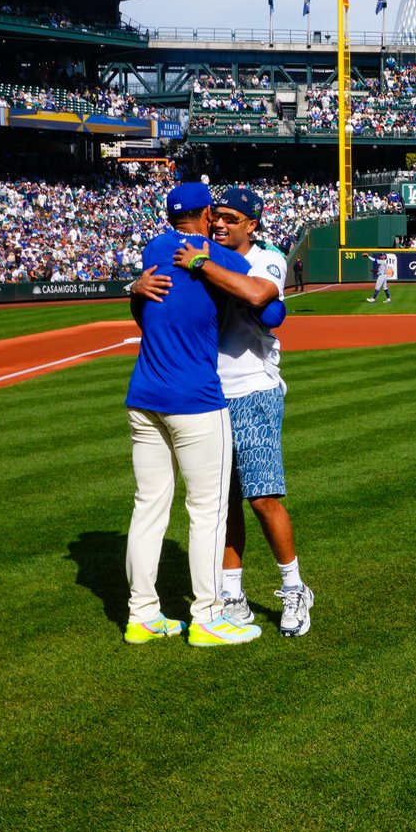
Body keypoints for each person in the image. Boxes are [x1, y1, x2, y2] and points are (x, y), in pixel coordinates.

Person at [166, 187, 314, 638]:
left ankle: (293, 588)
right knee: (224, 501)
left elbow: (257, 294)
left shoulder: (266, 255)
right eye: (218, 217)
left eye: (232, 218)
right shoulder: (203, 253)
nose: (221, 224)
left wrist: (201, 264)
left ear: (252, 224)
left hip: (254, 388)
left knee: (262, 497)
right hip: (211, 394)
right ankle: (233, 593)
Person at [124, 182, 262, 648]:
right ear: (205, 214)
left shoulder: (153, 249)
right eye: (215, 215)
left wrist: (133, 286)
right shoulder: (210, 251)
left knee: (148, 509)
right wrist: (207, 257)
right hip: (196, 400)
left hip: (144, 395)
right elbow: (259, 292)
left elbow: (145, 314)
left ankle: (142, 615)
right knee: (208, 512)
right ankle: (207, 617)